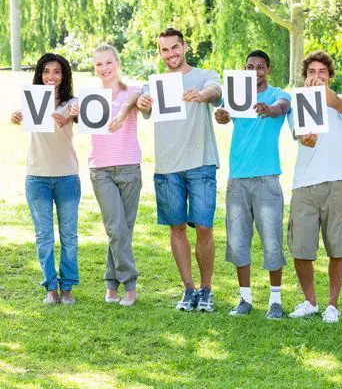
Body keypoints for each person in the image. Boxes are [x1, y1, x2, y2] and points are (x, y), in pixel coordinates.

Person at [136, 28, 222, 312]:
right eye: (165, 50)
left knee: (205, 228)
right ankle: (189, 289)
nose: (171, 54)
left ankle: (207, 289)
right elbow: (143, 105)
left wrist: (202, 95)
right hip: (168, 167)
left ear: (184, 47)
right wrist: (141, 102)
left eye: (175, 47)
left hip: (200, 163)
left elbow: (217, 91)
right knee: (177, 228)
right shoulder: (154, 84)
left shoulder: (203, 76)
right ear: (159, 53)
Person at [214, 50, 291, 319]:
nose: (255, 71)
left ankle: (275, 302)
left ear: (268, 70)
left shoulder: (277, 94)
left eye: (260, 67)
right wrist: (221, 116)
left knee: (271, 241)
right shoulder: (235, 92)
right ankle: (245, 299)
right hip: (237, 178)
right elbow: (222, 112)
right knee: (237, 241)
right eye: (250, 66)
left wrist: (270, 110)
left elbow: (283, 105)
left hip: (267, 178)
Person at [287, 50, 342, 323]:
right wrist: (306, 139)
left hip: (336, 181)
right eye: (311, 73)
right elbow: (300, 135)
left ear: (329, 77)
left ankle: (332, 305)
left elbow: (334, 101)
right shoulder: (296, 104)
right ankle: (310, 301)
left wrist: (321, 91)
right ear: (304, 77)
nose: (317, 77)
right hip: (304, 184)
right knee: (301, 247)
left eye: (322, 73)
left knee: (337, 246)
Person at [71, 43, 142, 306]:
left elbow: (140, 99)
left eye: (108, 62)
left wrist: (124, 111)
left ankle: (111, 284)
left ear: (117, 62)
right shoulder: (89, 97)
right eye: (99, 64)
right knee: (115, 227)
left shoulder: (133, 91)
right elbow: (71, 113)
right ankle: (131, 286)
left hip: (130, 168)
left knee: (124, 229)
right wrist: (73, 112)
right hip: (101, 169)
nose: (104, 68)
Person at [10, 53, 81, 304]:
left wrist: (72, 113)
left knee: (69, 235)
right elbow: (20, 116)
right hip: (37, 178)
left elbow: (80, 113)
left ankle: (68, 288)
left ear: (64, 76)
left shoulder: (72, 102)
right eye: (46, 71)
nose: (51, 76)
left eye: (57, 72)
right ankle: (51, 288)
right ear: (40, 74)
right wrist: (16, 117)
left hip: (67, 177)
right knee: (44, 236)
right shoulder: (32, 101)